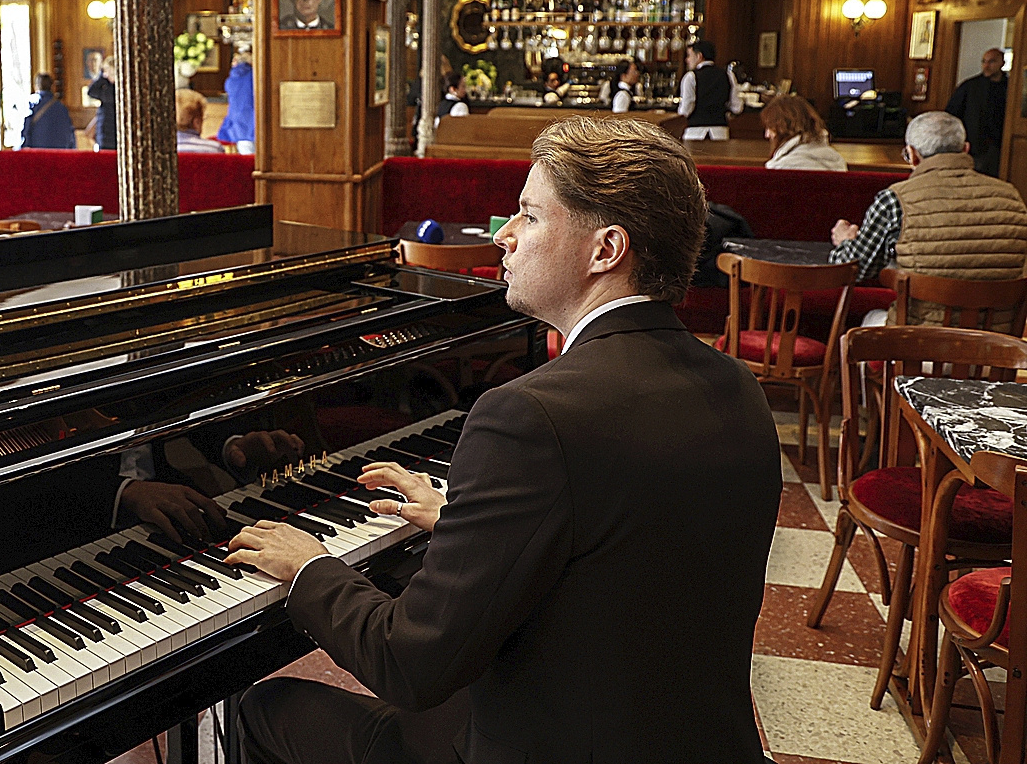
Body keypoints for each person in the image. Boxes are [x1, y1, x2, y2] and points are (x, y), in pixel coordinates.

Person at [231, 116, 781, 764]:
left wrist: (310, 568)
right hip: (692, 739)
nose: (505, 236)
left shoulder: (529, 416)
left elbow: (410, 662)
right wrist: (467, 519)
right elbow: (626, 543)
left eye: (529, 215)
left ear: (606, 249)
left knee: (265, 708)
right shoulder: (736, 384)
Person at [831, 111, 1027, 327]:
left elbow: (853, 269)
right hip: (997, 347)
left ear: (912, 154)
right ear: (965, 149)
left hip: (918, 345)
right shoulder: (1012, 197)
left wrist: (846, 241)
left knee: (870, 321)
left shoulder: (895, 199)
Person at [945, 47, 1009, 177]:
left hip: (1001, 145)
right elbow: (951, 114)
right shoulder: (970, 86)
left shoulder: (1010, 87)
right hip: (974, 145)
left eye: (992, 62)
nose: (986, 66)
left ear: (1002, 63)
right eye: (984, 61)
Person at [761, 94, 846, 171]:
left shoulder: (781, 168)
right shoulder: (838, 161)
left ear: (784, 128)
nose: (767, 135)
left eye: (770, 127)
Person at [678, 38, 742, 140]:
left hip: (695, 132)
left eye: (689, 55)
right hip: (720, 132)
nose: (687, 60)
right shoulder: (728, 75)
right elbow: (737, 107)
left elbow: (686, 109)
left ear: (699, 56)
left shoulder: (690, 77)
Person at [18, 73, 75, 150]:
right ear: (52, 86)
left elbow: (25, 131)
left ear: (36, 86)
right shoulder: (62, 107)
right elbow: (70, 135)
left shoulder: (31, 103)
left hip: (38, 154)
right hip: (59, 155)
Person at [218, 49, 255, 154]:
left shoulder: (231, 79)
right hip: (254, 122)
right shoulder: (254, 76)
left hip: (237, 124)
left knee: (246, 156)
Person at [85, 55, 117, 150]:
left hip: (114, 132)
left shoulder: (117, 88)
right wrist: (102, 77)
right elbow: (90, 91)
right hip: (104, 133)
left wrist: (101, 77)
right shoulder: (106, 85)